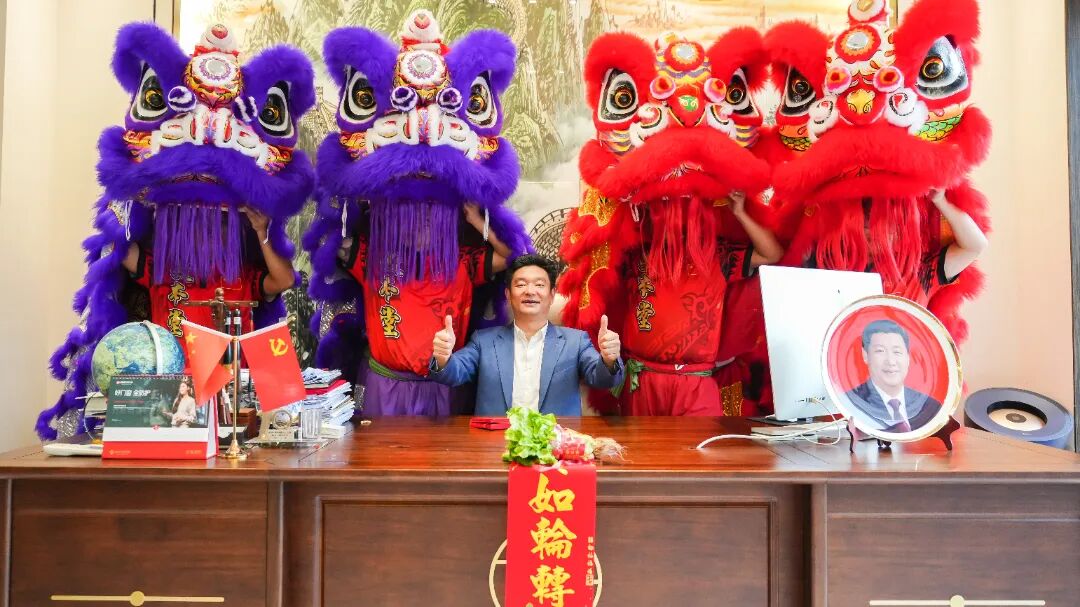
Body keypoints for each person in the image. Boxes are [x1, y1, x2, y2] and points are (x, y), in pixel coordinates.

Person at [338, 203, 514, 417]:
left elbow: (512, 255)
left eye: (429, 220)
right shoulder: (373, 258)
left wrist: (475, 219)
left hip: (442, 385)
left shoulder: (463, 261)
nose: (420, 225)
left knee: (443, 440)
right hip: (384, 385)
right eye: (412, 218)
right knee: (377, 440)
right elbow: (328, 241)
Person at [429, 254, 624, 416]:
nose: (530, 291)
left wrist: (609, 360)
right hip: (496, 443)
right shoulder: (484, 341)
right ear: (508, 295)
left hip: (555, 443)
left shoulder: (576, 341)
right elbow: (454, 373)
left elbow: (603, 379)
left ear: (552, 295)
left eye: (539, 285)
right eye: (521, 284)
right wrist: (443, 358)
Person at [121, 206, 295, 338]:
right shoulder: (161, 269)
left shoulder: (241, 276)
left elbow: (285, 280)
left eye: (221, 223)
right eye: (198, 224)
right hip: (175, 373)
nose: (210, 233)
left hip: (231, 372)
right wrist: (123, 205)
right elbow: (120, 250)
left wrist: (261, 231)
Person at [843, 319, 942, 433]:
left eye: (897, 352)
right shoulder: (850, 403)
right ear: (865, 355)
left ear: (908, 357)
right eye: (880, 351)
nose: (891, 361)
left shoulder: (930, 405)